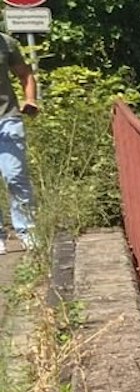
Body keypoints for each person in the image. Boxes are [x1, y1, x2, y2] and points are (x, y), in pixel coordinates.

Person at [0, 34, 36, 252]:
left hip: (7, 117)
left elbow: (25, 74)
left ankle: (28, 231)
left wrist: (30, 99)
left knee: (14, 175)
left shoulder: (6, 43)